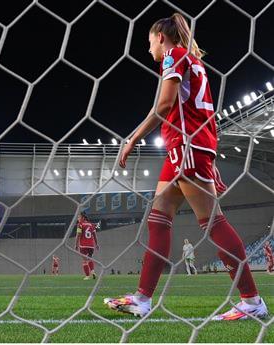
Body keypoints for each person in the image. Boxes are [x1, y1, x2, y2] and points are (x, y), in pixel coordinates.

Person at [103, 13, 268, 320]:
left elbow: (164, 105)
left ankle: (252, 300)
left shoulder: (174, 55)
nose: (148, 47)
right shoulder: (192, 60)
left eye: (149, 41)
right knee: (157, 218)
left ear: (161, 37)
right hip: (184, 149)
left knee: (213, 223)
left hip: (187, 146)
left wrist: (133, 138)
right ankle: (142, 298)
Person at [75, 212, 99, 280]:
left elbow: (78, 235)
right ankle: (93, 271)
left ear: (83, 217)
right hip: (91, 245)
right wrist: (96, 244)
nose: (78, 219)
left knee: (84, 260)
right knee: (90, 258)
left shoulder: (80, 224)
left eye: (79, 217)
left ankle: (87, 276)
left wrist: (76, 244)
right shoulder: (92, 225)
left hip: (83, 245)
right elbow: (95, 236)